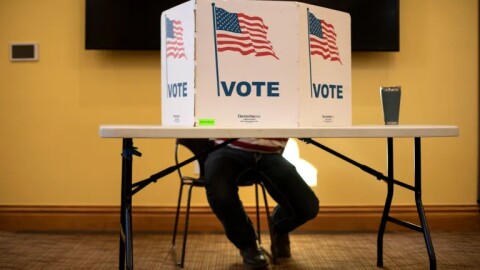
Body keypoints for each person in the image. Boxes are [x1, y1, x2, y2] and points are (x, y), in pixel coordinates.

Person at [205, 138, 319, 269]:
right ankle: (248, 245)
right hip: (227, 149)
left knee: (308, 207)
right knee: (220, 192)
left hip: (271, 155)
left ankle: (278, 226)